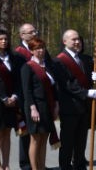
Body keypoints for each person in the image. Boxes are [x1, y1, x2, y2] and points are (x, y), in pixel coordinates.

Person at [54, 30, 96, 170]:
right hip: (69, 108)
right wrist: (86, 93)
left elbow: (89, 79)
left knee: (81, 141)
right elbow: (67, 84)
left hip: (84, 107)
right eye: (73, 39)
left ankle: (79, 165)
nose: (77, 42)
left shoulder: (85, 59)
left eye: (78, 39)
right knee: (67, 143)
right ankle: (65, 167)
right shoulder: (59, 61)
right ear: (64, 41)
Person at [0, 28, 27, 170]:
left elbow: (17, 80)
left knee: (7, 132)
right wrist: (3, 98)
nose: (3, 41)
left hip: (12, 99)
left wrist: (14, 96)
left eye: (6, 39)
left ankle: (6, 164)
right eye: (0, 39)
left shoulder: (13, 57)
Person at [21, 37, 61, 170]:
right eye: (37, 48)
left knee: (44, 139)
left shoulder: (48, 66)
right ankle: (34, 168)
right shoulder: (27, 67)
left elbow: (54, 88)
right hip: (35, 107)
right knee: (35, 139)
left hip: (47, 107)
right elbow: (27, 91)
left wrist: (56, 105)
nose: (40, 50)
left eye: (42, 48)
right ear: (31, 51)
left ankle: (42, 167)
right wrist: (33, 109)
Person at [14, 23, 37, 169]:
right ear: (22, 35)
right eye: (31, 32)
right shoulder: (18, 53)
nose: (34, 34)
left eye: (35, 31)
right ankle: (25, 164)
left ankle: (37, 163)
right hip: (24, 97)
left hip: (39, 96)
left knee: (37, 133)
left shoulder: (39, 48)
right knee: (26, 132)